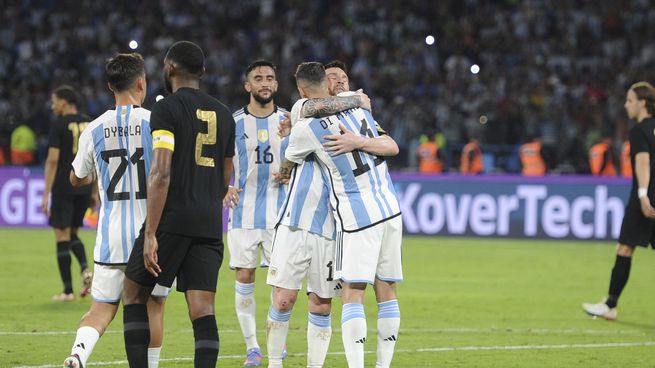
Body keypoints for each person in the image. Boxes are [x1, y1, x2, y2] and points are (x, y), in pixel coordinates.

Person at [266, 60, 392, 368]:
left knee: (322, 305)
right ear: (321, 85)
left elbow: (385, 144)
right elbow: (309, 109)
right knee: (283, 299)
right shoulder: (303, 113)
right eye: (332, 79)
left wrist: (361, 117)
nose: (339, 83)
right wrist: (357, 98)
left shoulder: (358, 118)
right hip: (296, 221)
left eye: (344, 79)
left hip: (335, 226)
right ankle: (273, 363)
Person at [122, 41, 235, 368]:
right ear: (202, 72)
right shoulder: (225, 115)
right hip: (210, 221)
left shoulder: (166, 109)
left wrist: (152, 233)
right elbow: (226, 177)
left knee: (133, 293)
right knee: (202, 309)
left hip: (172, 218)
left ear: (169, 69)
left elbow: (161, 171)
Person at [63, 53, 170, 368]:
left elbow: (76, 176)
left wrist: (90, 173)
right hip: (151, 237)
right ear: (141, 82)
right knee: (153, 307)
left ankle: (78, 355)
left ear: (110, 86)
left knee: (101, 308)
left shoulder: (94, 128)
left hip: (110, 239)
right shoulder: (157, 123)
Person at [582, 81, 655, 320]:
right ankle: (610, 304)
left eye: (630, 100)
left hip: (644, 199)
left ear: (643, 103)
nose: (626, 105)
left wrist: (643, 195)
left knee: (624, 248)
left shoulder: (639, 130)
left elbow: (642, 163)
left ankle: (610, 304)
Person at [42, 85, 93, 301]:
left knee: (61, 235)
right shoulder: (89, 123)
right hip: (84, 186)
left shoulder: (59, 124)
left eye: (54, 101)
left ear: (64, 102)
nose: (53, 105)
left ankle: (68, 291)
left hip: (64, 186)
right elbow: (95, 158)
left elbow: (53, 159)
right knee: (73, 234)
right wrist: (96, 191)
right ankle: (85, 269)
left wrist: (46, 194)